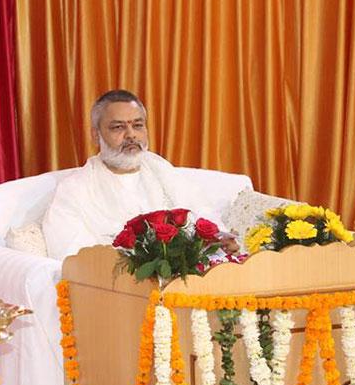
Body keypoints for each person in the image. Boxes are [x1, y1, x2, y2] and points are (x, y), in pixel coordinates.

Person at [43, 89, 228, 260]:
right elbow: (72, 255)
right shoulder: (75, 189)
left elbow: (204, 218)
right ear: (95, 135)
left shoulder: (162, 171)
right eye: (118, 127)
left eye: (138, 125)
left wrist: (222, 241)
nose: (131, 135)